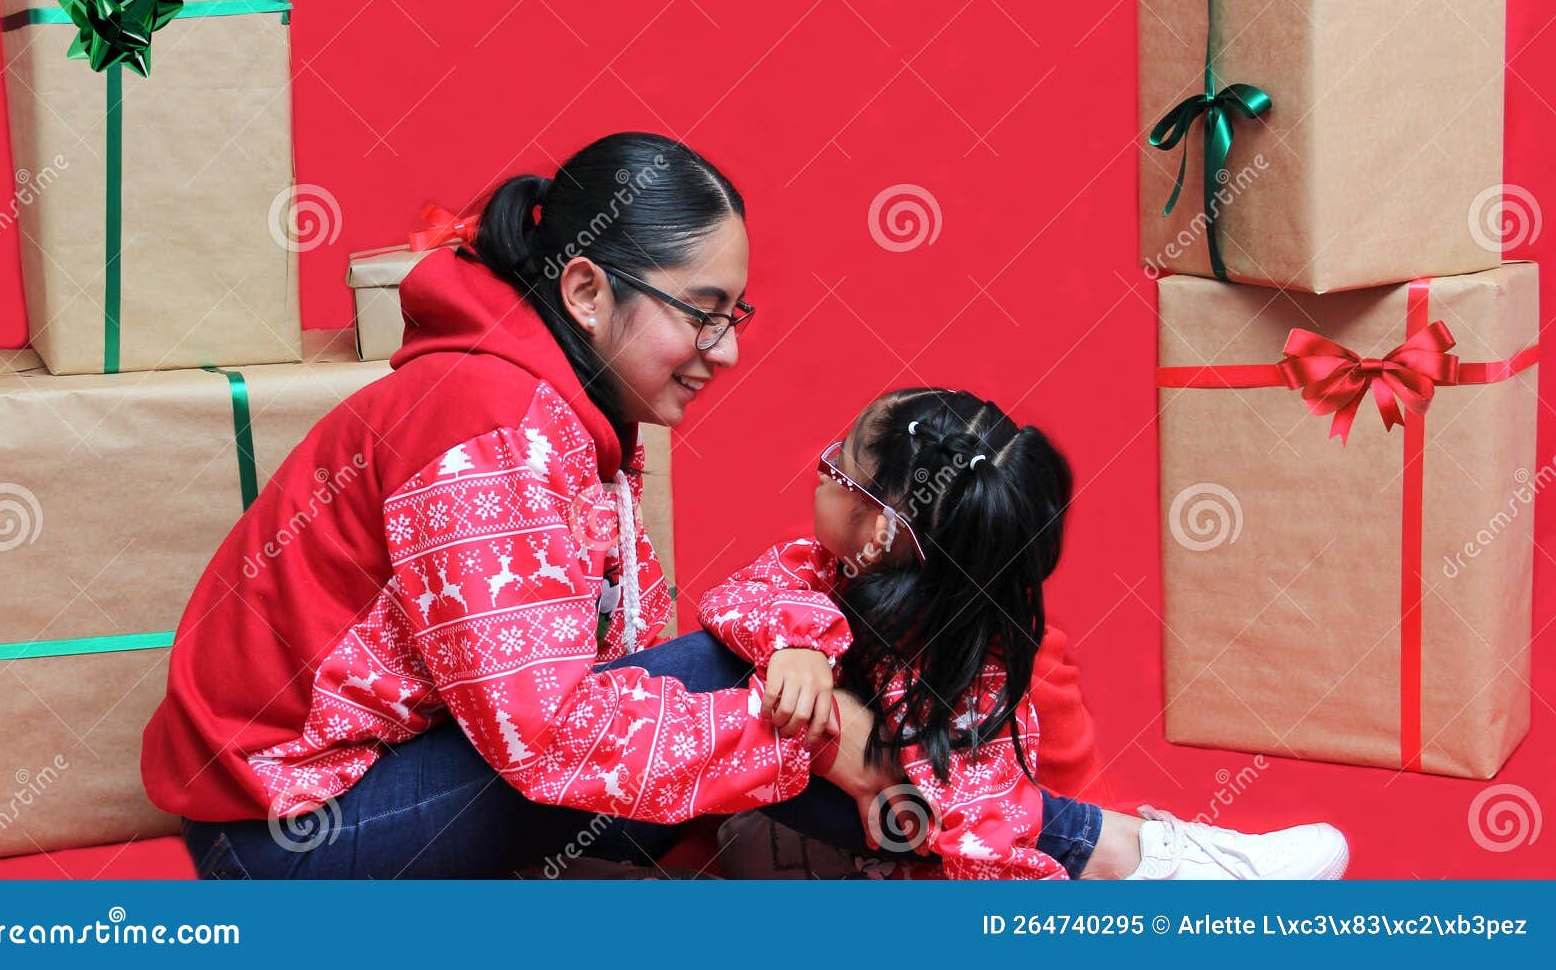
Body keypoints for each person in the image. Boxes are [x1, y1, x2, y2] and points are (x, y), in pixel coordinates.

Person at [141, 132, 1100, 878]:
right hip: (288, 839)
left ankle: (1071, 845)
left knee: (789, 671)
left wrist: (806, 714)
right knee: (753, 678)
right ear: (588, 289)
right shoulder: (491, 426)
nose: (724, 351)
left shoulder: (560, 406)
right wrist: (819, 741)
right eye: (703, 310)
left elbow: (609, 666)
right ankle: (1091, 851)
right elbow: (552, 734)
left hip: (393, 781)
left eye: (737, 315)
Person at [698, 388, 1352, 880]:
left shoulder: (1000, 662)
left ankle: (1152, 866)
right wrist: (795, 643)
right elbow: (738, 597)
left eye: (837, 462)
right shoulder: (811, 576)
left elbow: (1048, 790)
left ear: (876, 527)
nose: (821, 464)